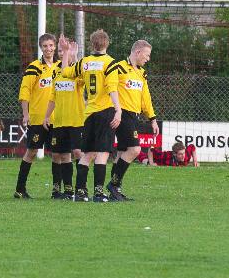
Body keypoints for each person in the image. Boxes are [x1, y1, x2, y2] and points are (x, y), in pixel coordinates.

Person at [58, 30, 122, 202]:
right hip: (105, 111)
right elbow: (112, 88)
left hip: (88, 113)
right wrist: (118, 110)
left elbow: (65, 72)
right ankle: (99, 193)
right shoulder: (110, 63)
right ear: (107, 44)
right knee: (102, 154)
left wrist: (65, 53)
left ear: (92, 44)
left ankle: (80, 192)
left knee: (87, 154)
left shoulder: (84, 62)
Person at [107, 40, 159, 201]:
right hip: (123, 115)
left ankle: (115, 190)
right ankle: (113, 185)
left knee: (122, 152)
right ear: (137, 52)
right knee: (135, 150)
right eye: (147, 55)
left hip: (134, 115)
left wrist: (152, 118)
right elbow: (110, 88)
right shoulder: (119, 67)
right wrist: (116, 110)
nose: (148, 59)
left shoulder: (141, 73)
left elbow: (146, 97)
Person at [14, 33, 60, 199]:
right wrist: (25, 114)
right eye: (45, 46)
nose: (48, 49)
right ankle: (20, 189)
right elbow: (24, 91)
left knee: (57, 154)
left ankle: (56, 191)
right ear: (41, 48)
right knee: (31, 152)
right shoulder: (34, 67)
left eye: (51, 45)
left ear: (55, 47)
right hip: (38, 118)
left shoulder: (61, 67)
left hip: (57, 119)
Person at [43, 37, 84, 199]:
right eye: (61, 51)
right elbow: (52, 97)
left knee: (76, 152)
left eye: (65, 51)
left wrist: (72, 55)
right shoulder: (56, 73)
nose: (63, 54)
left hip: (76, 121)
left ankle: (80, 188)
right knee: (58, 155)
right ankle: (59, 189)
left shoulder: (78, 73)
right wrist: (47, 116)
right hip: (59, 121)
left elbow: (78, 74)